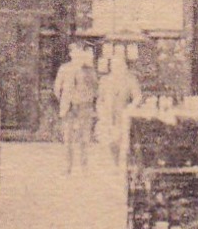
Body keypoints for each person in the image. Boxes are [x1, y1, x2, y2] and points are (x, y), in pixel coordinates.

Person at [53, 42, 98, 173]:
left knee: (84, 138)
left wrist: (86, 99)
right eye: (74, 52)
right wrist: (64, 101)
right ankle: (68, 167)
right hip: (69, 108)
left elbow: (95, 89)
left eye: (79, 52)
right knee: (68, 138)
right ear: (70, 54)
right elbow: (57, 88)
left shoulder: (89, 70)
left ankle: (84, 167)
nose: (77, 55)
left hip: (84, 106)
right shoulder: (64, 68)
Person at [96, 47, 142, 165]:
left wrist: (131, 106)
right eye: (114, 65)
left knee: (124, 141)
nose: (116, 68)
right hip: (108, 114)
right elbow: (100, 99)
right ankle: (116, 163)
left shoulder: (130, 79)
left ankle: (126, 164)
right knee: (111, 141)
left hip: (124, 113)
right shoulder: (105, 80)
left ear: (125, 66)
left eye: (120, 65)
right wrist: (100, 111)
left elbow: (138, 97)